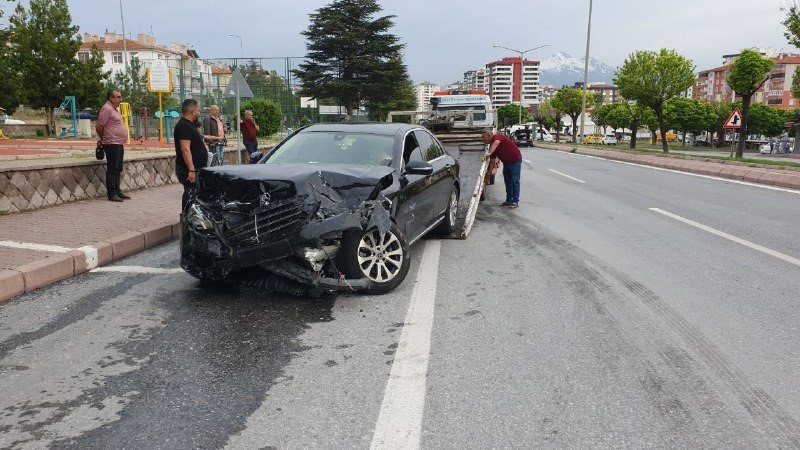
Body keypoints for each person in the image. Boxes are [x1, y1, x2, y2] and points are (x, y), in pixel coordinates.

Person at [96, 89, 130, 202]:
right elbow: (99, 126)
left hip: (118, 143)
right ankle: (111, 194)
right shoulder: (106, 109)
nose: (120, 99)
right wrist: (103, 138)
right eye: (118, 97)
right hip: (111, 143)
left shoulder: (114, 109)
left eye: (120, 97)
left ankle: (117, 191)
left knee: (118, 168)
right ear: (111, 98)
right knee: (112, 169)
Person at [174, 99, 208, 209]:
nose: (199, 112)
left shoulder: (189, 125)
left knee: (194, 194)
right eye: (198, 110)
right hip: (188, 169)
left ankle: (192, 218)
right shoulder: (184, 126)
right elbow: (185, 149)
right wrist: (191, 169)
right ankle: (186, 218)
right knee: (191, 193)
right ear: (192, 111)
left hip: (195, 168)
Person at [481, 129, 523, 208]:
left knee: (514, 181)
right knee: (508, 182)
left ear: (489, 136)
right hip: (506, 163)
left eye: (483, 137)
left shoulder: (498, 136)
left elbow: (496, 143)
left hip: (515, 161)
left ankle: (515, 201)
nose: (482, 139)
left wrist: (487, 155)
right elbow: (492, 162)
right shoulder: (491, 147)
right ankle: (509, 200)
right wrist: (489, 174)